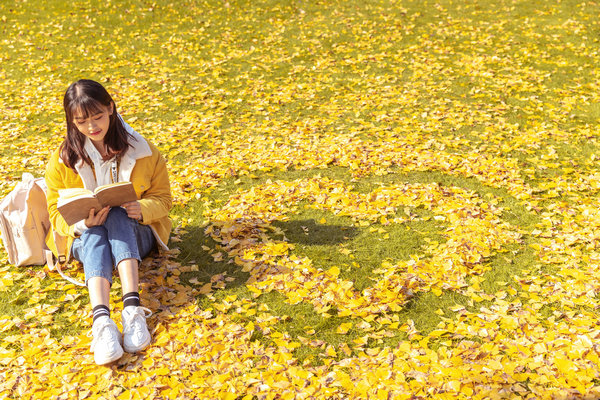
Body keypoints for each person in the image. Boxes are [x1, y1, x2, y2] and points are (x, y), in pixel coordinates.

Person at [45, 79, 172, 365]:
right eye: (82, 121)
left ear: (111, 108)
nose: (92, 127)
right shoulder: (62, 159)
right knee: (93, 234)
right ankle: (102, 321)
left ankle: (132, 310)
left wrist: (141, 208)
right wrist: (82, 224)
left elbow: (164, 200)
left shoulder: (144, 150)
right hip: (86, 238)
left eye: (98, 116)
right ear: (71, 122)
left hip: (136, 233)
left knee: (116, 214)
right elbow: (54, 213)